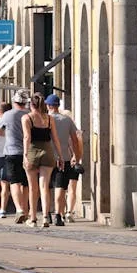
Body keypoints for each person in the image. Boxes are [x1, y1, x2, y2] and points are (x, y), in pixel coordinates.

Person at [21, 92, 63, 228]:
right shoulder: (49, 119)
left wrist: (25, 155)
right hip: (47, 152)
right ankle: (45, 217)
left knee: (32, 188)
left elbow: (27, 137)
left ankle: (33, 218)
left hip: (32, 151)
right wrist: (60, 156)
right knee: (44, 187)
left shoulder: (27, 118)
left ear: (31, 105)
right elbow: (55, 138)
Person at [46, 94, 83, 225]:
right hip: (64, 158)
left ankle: (47, 214)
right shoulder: (67, 120)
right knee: (60, 187)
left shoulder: (45, 119)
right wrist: (76, 156)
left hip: (47, 158)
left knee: (45, 187)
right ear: (58, 106)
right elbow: (75, 139)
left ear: (49, 106)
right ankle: (58, 215)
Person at [0, 89, 31, 224]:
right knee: (26, 183)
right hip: (28, 152)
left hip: (11, 152)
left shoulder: (7, 115)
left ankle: (19, 209)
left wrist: (8, 134)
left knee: (14, 182)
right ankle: (26, 210)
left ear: (14, 101)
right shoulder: (29, 114)